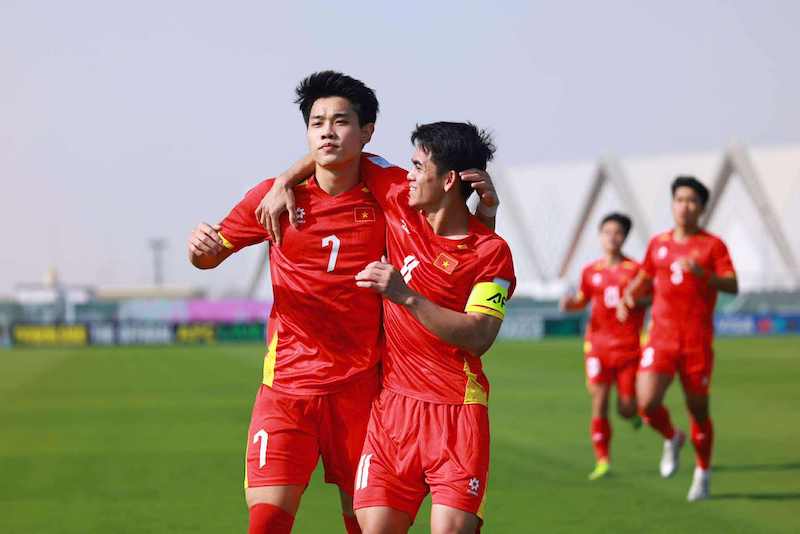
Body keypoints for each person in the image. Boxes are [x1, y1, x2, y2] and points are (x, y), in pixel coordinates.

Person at [264, 122, 515, 533]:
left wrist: (406, 295)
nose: (408, 174)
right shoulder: (399, 199)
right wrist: (283, 181)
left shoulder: (492, 253)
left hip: (456, 414)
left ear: (449, 179)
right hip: (392, 412)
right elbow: (343, 154)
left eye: (418, 167)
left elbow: (479, 335)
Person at [188, 71, 385, 534]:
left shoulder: (388, 192)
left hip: (362, 389)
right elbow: (211, 255)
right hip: (288, 388)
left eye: (340, 122)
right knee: (267, 523)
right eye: (317, 123)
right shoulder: (273, 198)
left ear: (367, 131)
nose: (327, 132)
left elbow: (436, 201)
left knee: (368, 525)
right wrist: (198, 249)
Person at [620, 176, 738, 501]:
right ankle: (672, 437)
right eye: (679, 200)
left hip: (696, 342)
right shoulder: (658, 243)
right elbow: (646, 273)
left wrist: (704, 275)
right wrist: (632, 291)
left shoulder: (712, 246)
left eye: (691, 201)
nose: (684, 206)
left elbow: (732, 284)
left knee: (698, 410)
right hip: (660, 337)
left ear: (701, 207)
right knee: (646, 402)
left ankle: (703, 472)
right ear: (672, 204)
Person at [560, 212, 645, 480]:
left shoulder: (636, 271)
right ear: (600, 236)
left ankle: (633, 414)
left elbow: (649, 299)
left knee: (626, 405)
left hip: (628, 347)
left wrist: (633, 302)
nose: (612, 237)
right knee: (599, 399)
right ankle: (602, 460)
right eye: (607, 232)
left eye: (617, 232)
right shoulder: (590, 272)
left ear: (625, 237)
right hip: (597, 346)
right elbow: (582, 301)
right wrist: (570, 304)